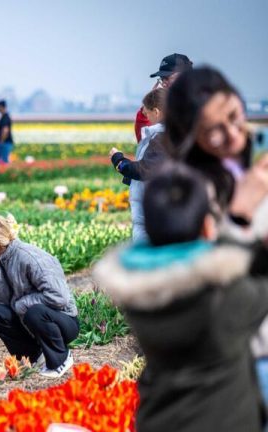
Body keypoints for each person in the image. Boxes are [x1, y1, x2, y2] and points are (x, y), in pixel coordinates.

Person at [94, 163, 268, 432]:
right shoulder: (223, 300)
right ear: (208, 227)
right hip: (222, 421)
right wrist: (241, 219)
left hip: (159, 418)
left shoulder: (137, 289)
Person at [163, 66, 268, 403]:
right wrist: (239, 217)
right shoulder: (187, 190)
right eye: (213, 131)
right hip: (251, 349)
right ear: (189, 136)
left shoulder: (260, 158)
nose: (234, 135)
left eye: (235, 116)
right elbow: (198, 277)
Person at [0, 214, 79, 378]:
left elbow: (59, 298)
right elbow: (1, 302)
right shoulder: (1, 257)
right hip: (27, 319)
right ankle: (33, 357)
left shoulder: (30, 257)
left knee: (35, 311)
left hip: (62, 320)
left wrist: (22, 304)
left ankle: (61, 358)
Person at [109, 88, 168, 241]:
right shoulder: (169, 133)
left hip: (151, 211)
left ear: (157, 112)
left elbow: (144, 170)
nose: (145, 117)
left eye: (147, 113)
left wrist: (118, 160)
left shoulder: (161, 136)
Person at [134, 53, 192, 142]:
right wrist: (148, 106)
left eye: (167, 78)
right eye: (162, 78)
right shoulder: (168, 107)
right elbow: (145, 144)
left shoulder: (201, 105)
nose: (163, 83)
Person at [0, 100, 14, 164]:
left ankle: (4, 172)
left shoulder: (5, 117)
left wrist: (1, 140)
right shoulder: (3, 117)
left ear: (2, 107)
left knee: (4, 160)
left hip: (5, 142)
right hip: (3, 142)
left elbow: (5, 130)